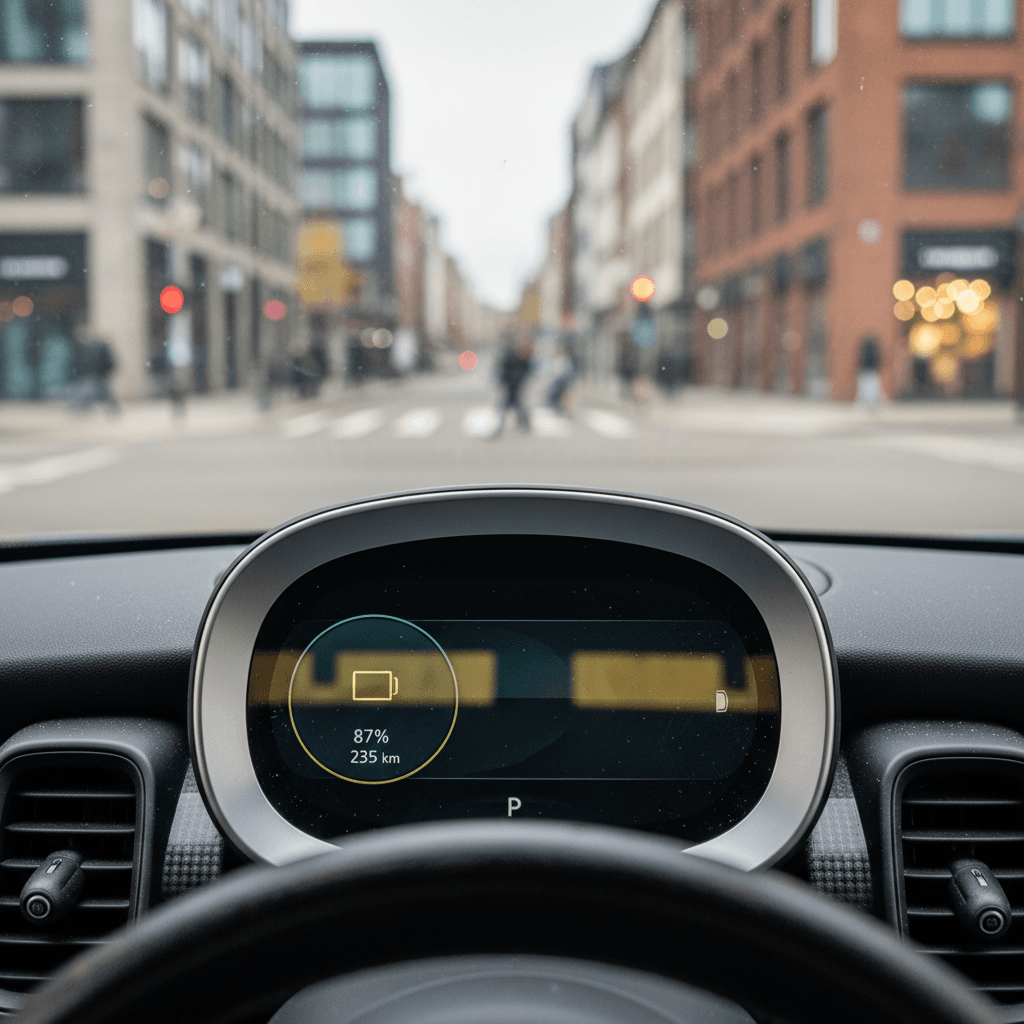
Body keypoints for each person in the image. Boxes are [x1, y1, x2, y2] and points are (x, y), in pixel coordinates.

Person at [492, 335, 535, 437]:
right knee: (508, 408)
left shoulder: (526, 359)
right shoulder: (511, 356)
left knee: (519, 407)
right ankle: (500, 428)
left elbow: (527, 373)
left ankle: (525, 426)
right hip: (510, 387)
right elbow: (502, 369)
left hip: (516, 387)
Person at [546, 335, 579, 414]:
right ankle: (559, 406)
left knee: (561, 391)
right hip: (562, 377)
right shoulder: (566, 360)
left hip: (564, 377)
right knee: (557, 392)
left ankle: (561, 407)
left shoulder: (570, 360)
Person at [856, 335, 883, 409]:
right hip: (870, 370)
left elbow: (860, 359)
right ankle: (870, 404)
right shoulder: (873, 350)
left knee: (867, 388)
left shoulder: (865, 350)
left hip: (866, 370)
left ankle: (868, 404)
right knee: (871, 388)